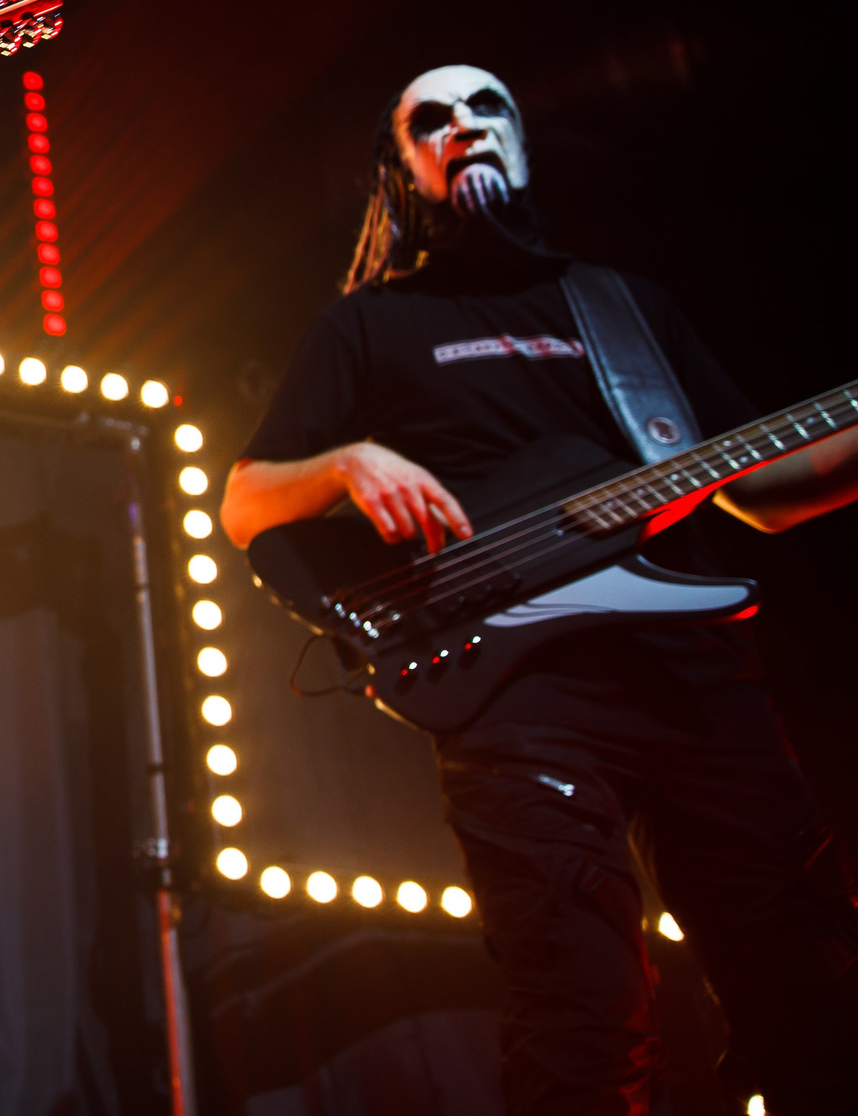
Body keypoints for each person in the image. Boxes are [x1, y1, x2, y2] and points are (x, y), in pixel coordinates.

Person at [219, 64, 858, 1115]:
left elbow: (764, 493)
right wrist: (343, 465)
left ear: (521, 142)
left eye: (487, 109)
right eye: (431, 120)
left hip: (694, 674)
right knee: (582, 1003)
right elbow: (246, 501)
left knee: (808, 980)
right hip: (518, 699)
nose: (461, 127)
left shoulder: (620, 305)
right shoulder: (366, 327)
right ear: (403, 169)